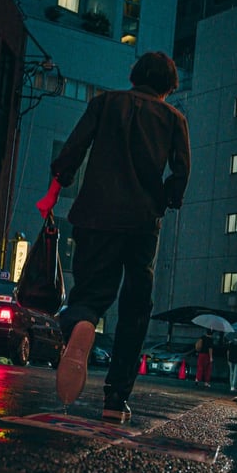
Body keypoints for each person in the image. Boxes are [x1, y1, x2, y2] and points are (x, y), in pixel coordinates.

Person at [37, 52, 190, 424]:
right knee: (136, 308)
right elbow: (181, 171)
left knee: (89, 293)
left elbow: (74, 148)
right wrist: (168, 198)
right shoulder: (173, 118)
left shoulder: (104, 103)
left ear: (134, 75)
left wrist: (56, 189)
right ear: (169, 87)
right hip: (141, 224)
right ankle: (115, 398)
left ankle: (84, 323)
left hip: (95, 215)